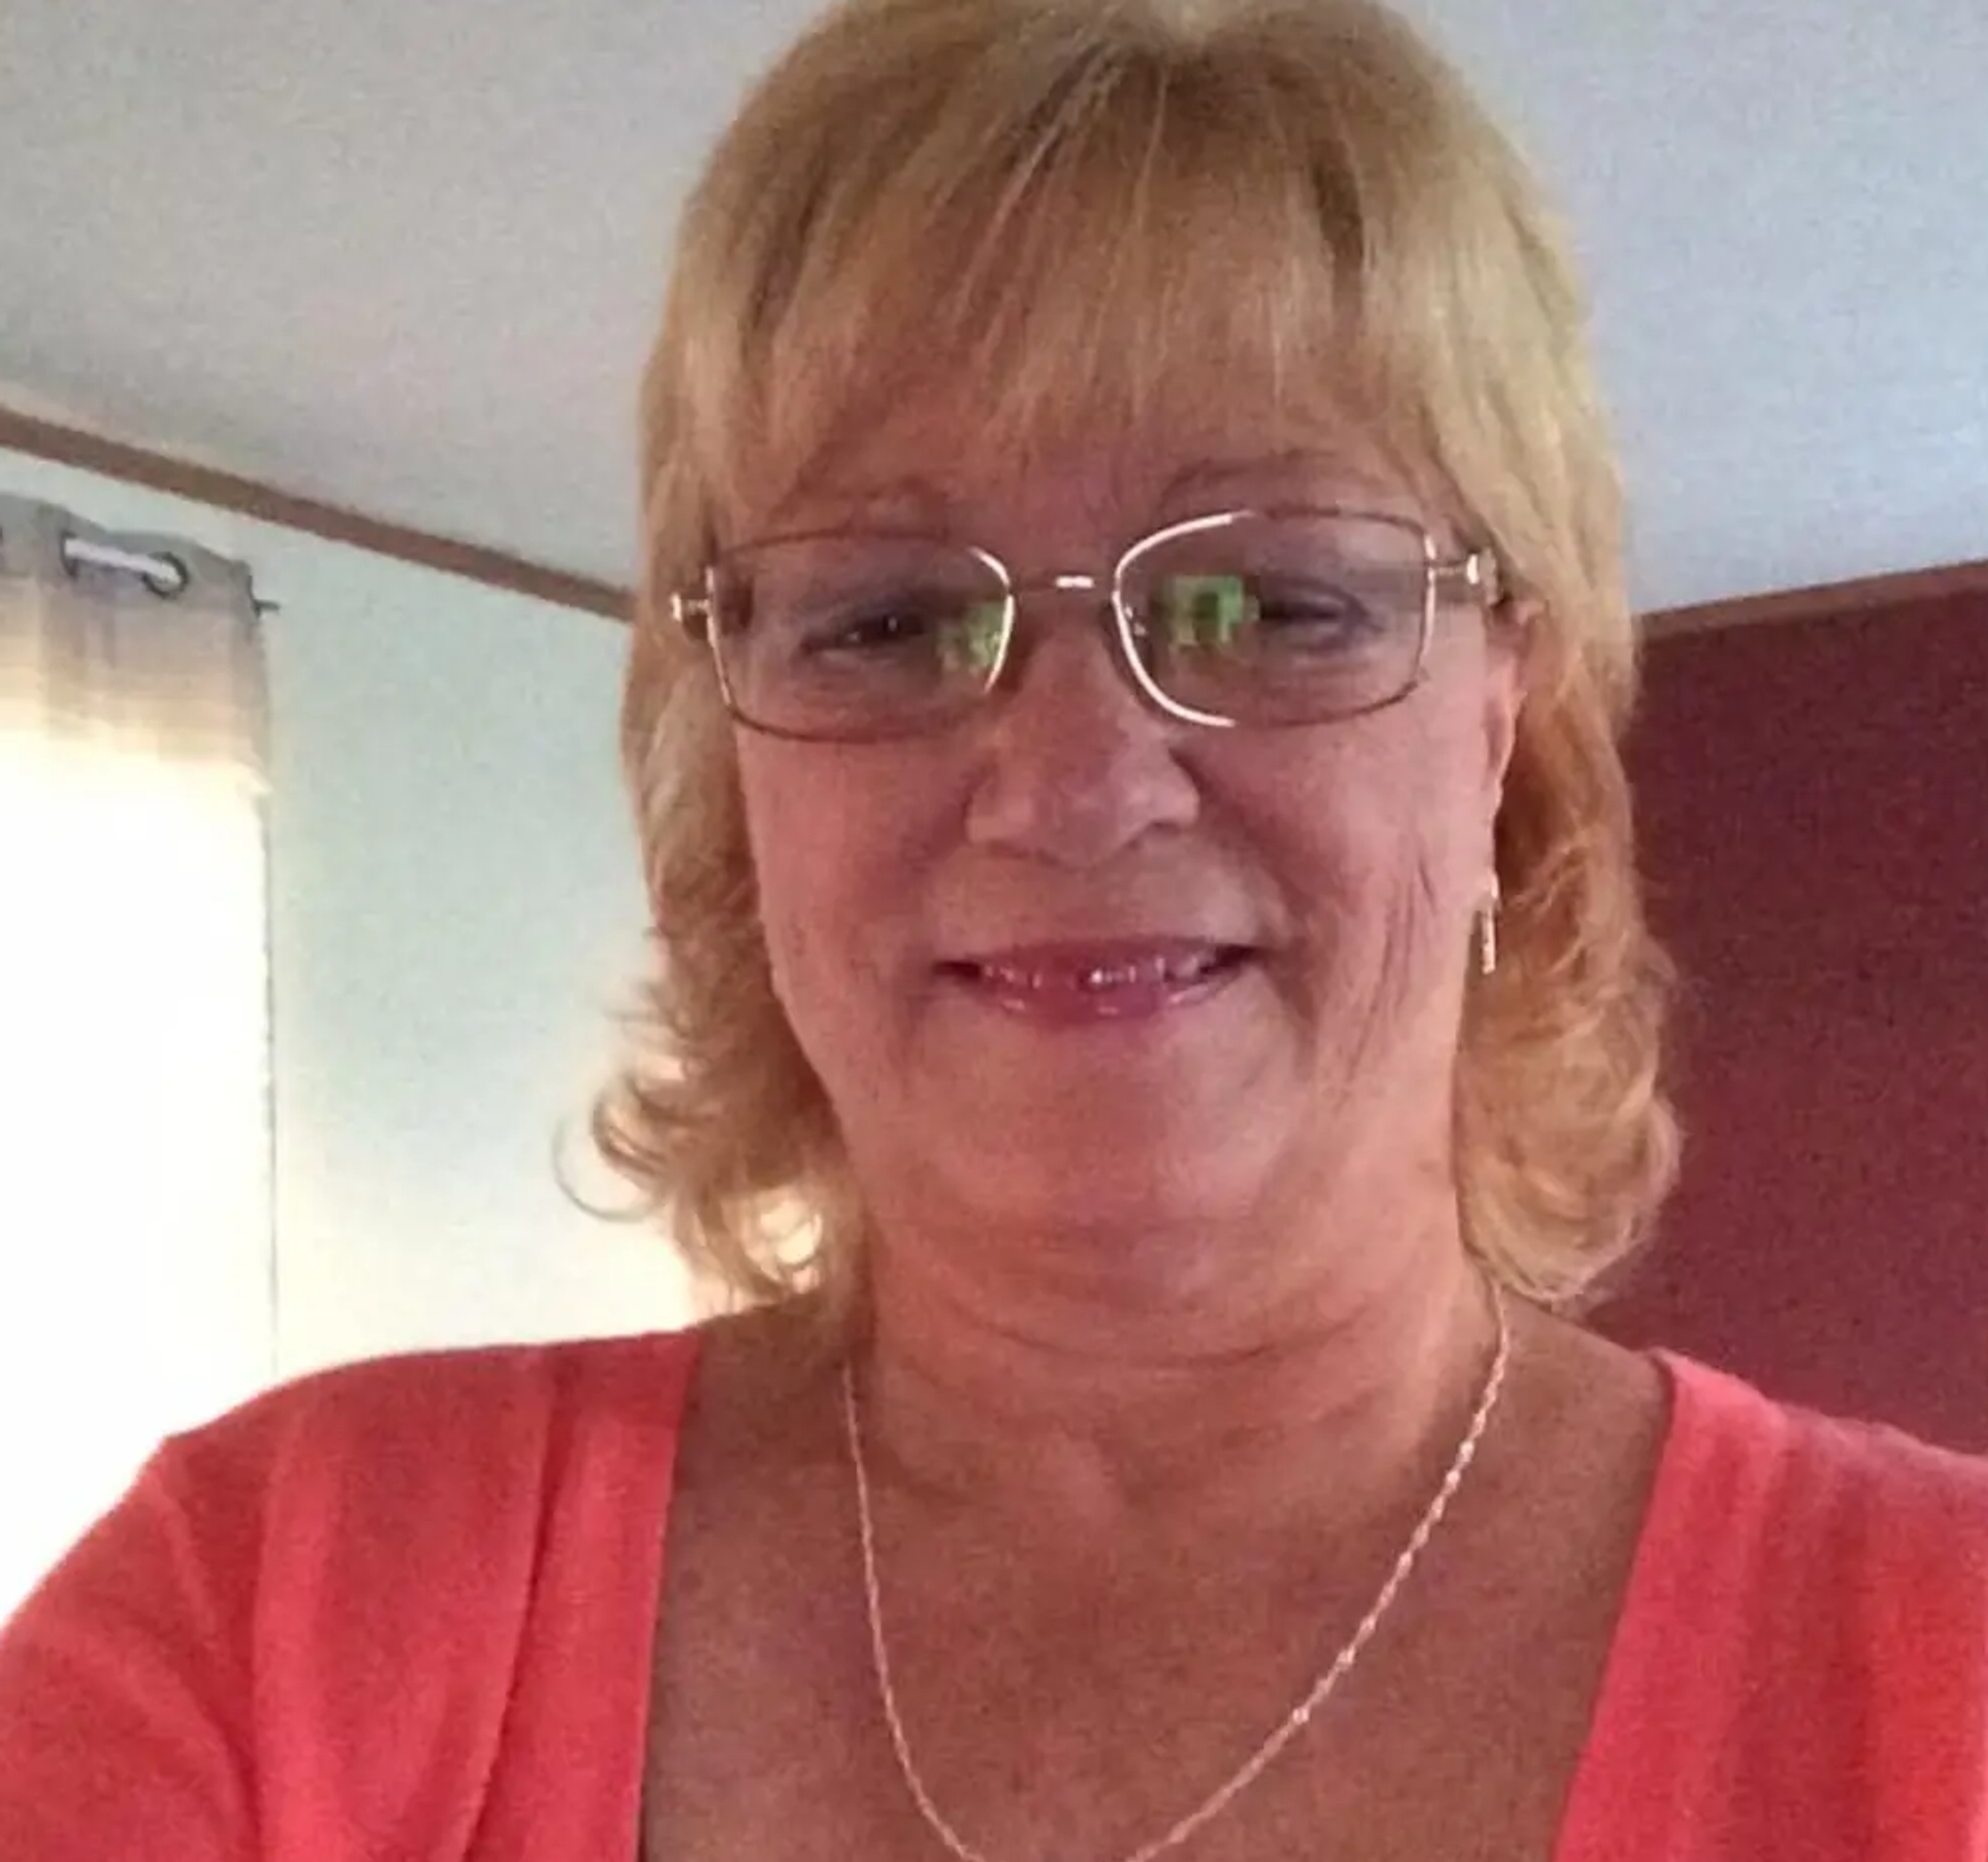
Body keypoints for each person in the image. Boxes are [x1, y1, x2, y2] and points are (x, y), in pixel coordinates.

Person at [4, 0, 1987, 1855]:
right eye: (888, 617)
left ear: (1500, 723)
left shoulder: (1936, 1661)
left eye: (1264, 603)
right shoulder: (264, 1610)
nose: (1074, 781)